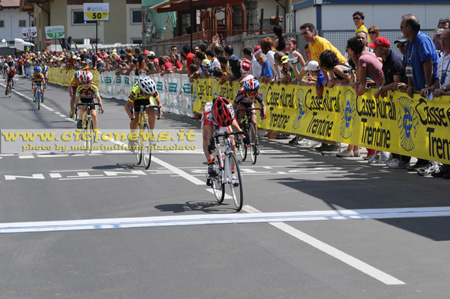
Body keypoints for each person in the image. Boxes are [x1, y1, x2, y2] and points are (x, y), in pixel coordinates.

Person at [401, 14, 439, 171]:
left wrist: (427, 84)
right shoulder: (410, 43)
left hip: (427, 90)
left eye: (402, 27)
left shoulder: (422, 40)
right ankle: (422, 159)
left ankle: (430, 161)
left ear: (409, 28)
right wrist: (409, 85)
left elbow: (428, 63)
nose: (401, 30)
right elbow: (408, 66)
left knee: (428, 126)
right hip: (416, 90)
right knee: (419, 126)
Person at [423, 29, 450, 178]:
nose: (443, 42)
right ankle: (445, 165)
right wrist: (433, 87)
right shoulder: (441, 58)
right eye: (441, 39)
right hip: (443, 102)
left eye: (446, 39)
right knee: (444, 135)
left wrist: (444, 89)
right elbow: (440, 78)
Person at [202, 97, 243, 183]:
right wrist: (211, 146)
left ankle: (232, 173)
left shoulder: (229, 110)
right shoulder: (208, 112)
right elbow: (210, 133)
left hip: (225, 120)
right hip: (212, 121)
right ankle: (210, 163)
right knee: (206, 136)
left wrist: (245, 139)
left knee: (232, 142)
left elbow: (236, 127)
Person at [124, 77, 163, 148]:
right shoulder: (135, 91)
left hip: (147, 101)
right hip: (137, 100)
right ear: (142, 90)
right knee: (135, 119)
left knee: (151, 111)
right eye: (147, 94)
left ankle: (151, 134)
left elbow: (159, 103)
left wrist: (160, 111)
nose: (148, 95)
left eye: (150, 94)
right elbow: (127, 105)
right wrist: (130, 115)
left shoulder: (152, 91)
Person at [232, 78, 266, 147]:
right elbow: (233, 107)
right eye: (249, 93)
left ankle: (254, 140)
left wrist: (264, 112)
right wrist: (235, 117)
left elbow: (264, 105)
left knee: (254, 122)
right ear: (245, 91)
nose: (252, 95)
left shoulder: (257, 95)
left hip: (250, 104)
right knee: (241, 112)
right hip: (241, 104)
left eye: (254, 93)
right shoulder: (241, 94)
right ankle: (238, 132)